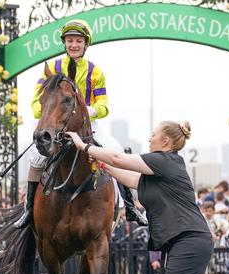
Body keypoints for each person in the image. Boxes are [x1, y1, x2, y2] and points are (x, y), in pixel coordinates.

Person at [66, 121, 214, 274]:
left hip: (189, 241)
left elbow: (118, 157)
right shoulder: (161, 170)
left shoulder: (164, 160)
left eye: (153, 135)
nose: (149, 139)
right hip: (183, 242)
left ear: (165, 141)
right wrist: (103, 166)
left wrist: (84, 147)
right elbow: (132, 179)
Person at [14, 19, 147, 228]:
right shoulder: (53, 68)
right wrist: (49, 114)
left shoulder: (95, 72)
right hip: (55, 124)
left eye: (78, 41)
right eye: (69, 41)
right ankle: (29, 210)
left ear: (86, 44)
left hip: (87, 124)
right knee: (36, 158)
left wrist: (89, 110)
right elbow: (36, 102)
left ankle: (130, 208)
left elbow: (103, 105)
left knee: (115, 149)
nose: (73, 45)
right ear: (64, 43)